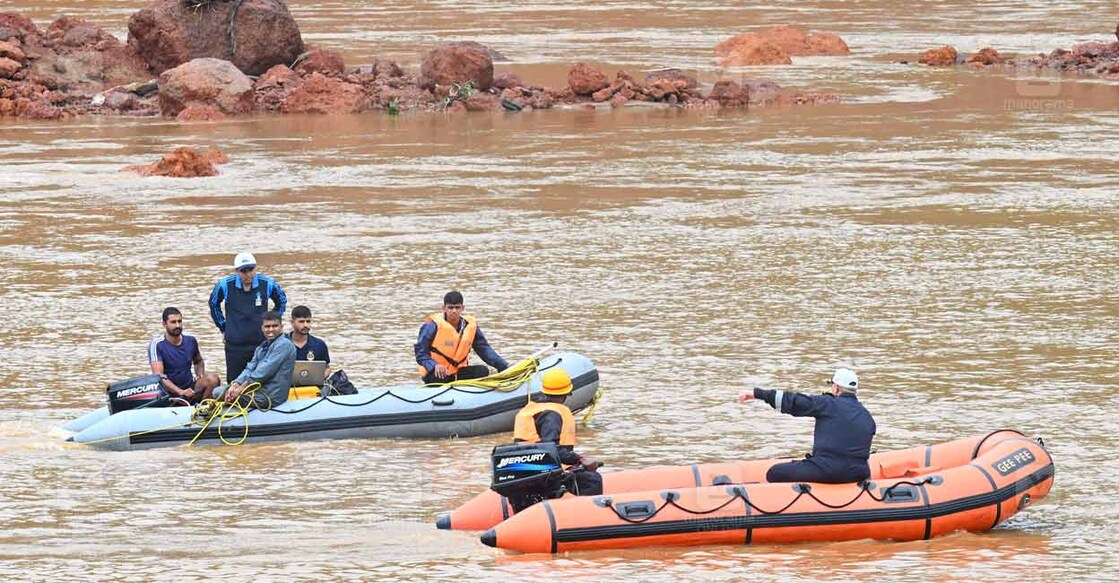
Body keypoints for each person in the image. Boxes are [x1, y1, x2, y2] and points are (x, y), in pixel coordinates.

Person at [739, 367, 876, 484]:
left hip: (826, 470)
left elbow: (794, 401)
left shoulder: (828, 404)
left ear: (836, 388)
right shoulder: (867, 417)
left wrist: (757, 394)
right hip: (857, 474)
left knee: (774, 472)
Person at [513, 368, 603, 496]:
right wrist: (581, 459)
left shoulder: (532, 409)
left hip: (527, 470)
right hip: (543, 474)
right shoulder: (552, 415)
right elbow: (550, 450)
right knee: (591, 480)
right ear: (566, 394)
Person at [209, 252, 287, 382]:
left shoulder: (267, 283)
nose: (248, 274)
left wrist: (272, 325)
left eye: (251, 270)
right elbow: (213, 304)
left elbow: (282, 301)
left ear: (255, 268)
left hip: (262, 344)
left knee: (261, 382)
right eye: (243, 271)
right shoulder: (224, 285)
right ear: (237, 271)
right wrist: (223, 327)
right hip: (235, 345)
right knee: (234, 383)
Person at [414, 290, 508, 384]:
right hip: (436, 373)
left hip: (458, 373)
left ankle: (457, 384)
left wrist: (503, 366)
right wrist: (434, 365)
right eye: (450, 308)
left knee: (483, 371)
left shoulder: (470, 326)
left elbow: (484, 349)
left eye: (457, 307)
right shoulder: (431, 326)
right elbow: (421, 353)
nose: (454, 311)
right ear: (444, 308)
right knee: (439, 376)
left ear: (462, 308)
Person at [221, 311, 296, 409]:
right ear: (262, 328)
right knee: (222, 390)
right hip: (256, 392)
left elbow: (264, 371)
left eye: (275, 326)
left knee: (219, 392)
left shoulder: (284, 344)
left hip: (270, 397)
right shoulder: (261, 347)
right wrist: (236, 383)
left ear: (281, 327)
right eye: (267, 327)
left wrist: (241, 389)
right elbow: (250, 368)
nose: (271, 330)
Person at [148, 307, 214, 403]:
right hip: (168, 393)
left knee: (212, 379)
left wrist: (200, 374)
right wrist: (180, 392)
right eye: (173, 322)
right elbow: (159, 376)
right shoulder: (157, 345)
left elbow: (198, 361)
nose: (178, 325)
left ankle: (204, 408)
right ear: (164, 324)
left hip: (189, 387)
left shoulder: (191, 340)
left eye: (179, 321)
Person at [288, 305, 331, 377]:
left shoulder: (319, 345)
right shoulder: (281, 343)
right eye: (301, 322)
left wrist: (320, 378)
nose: (305, 325)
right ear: (292, 322)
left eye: (308, 321)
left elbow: (327, 368)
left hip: (313, 387)